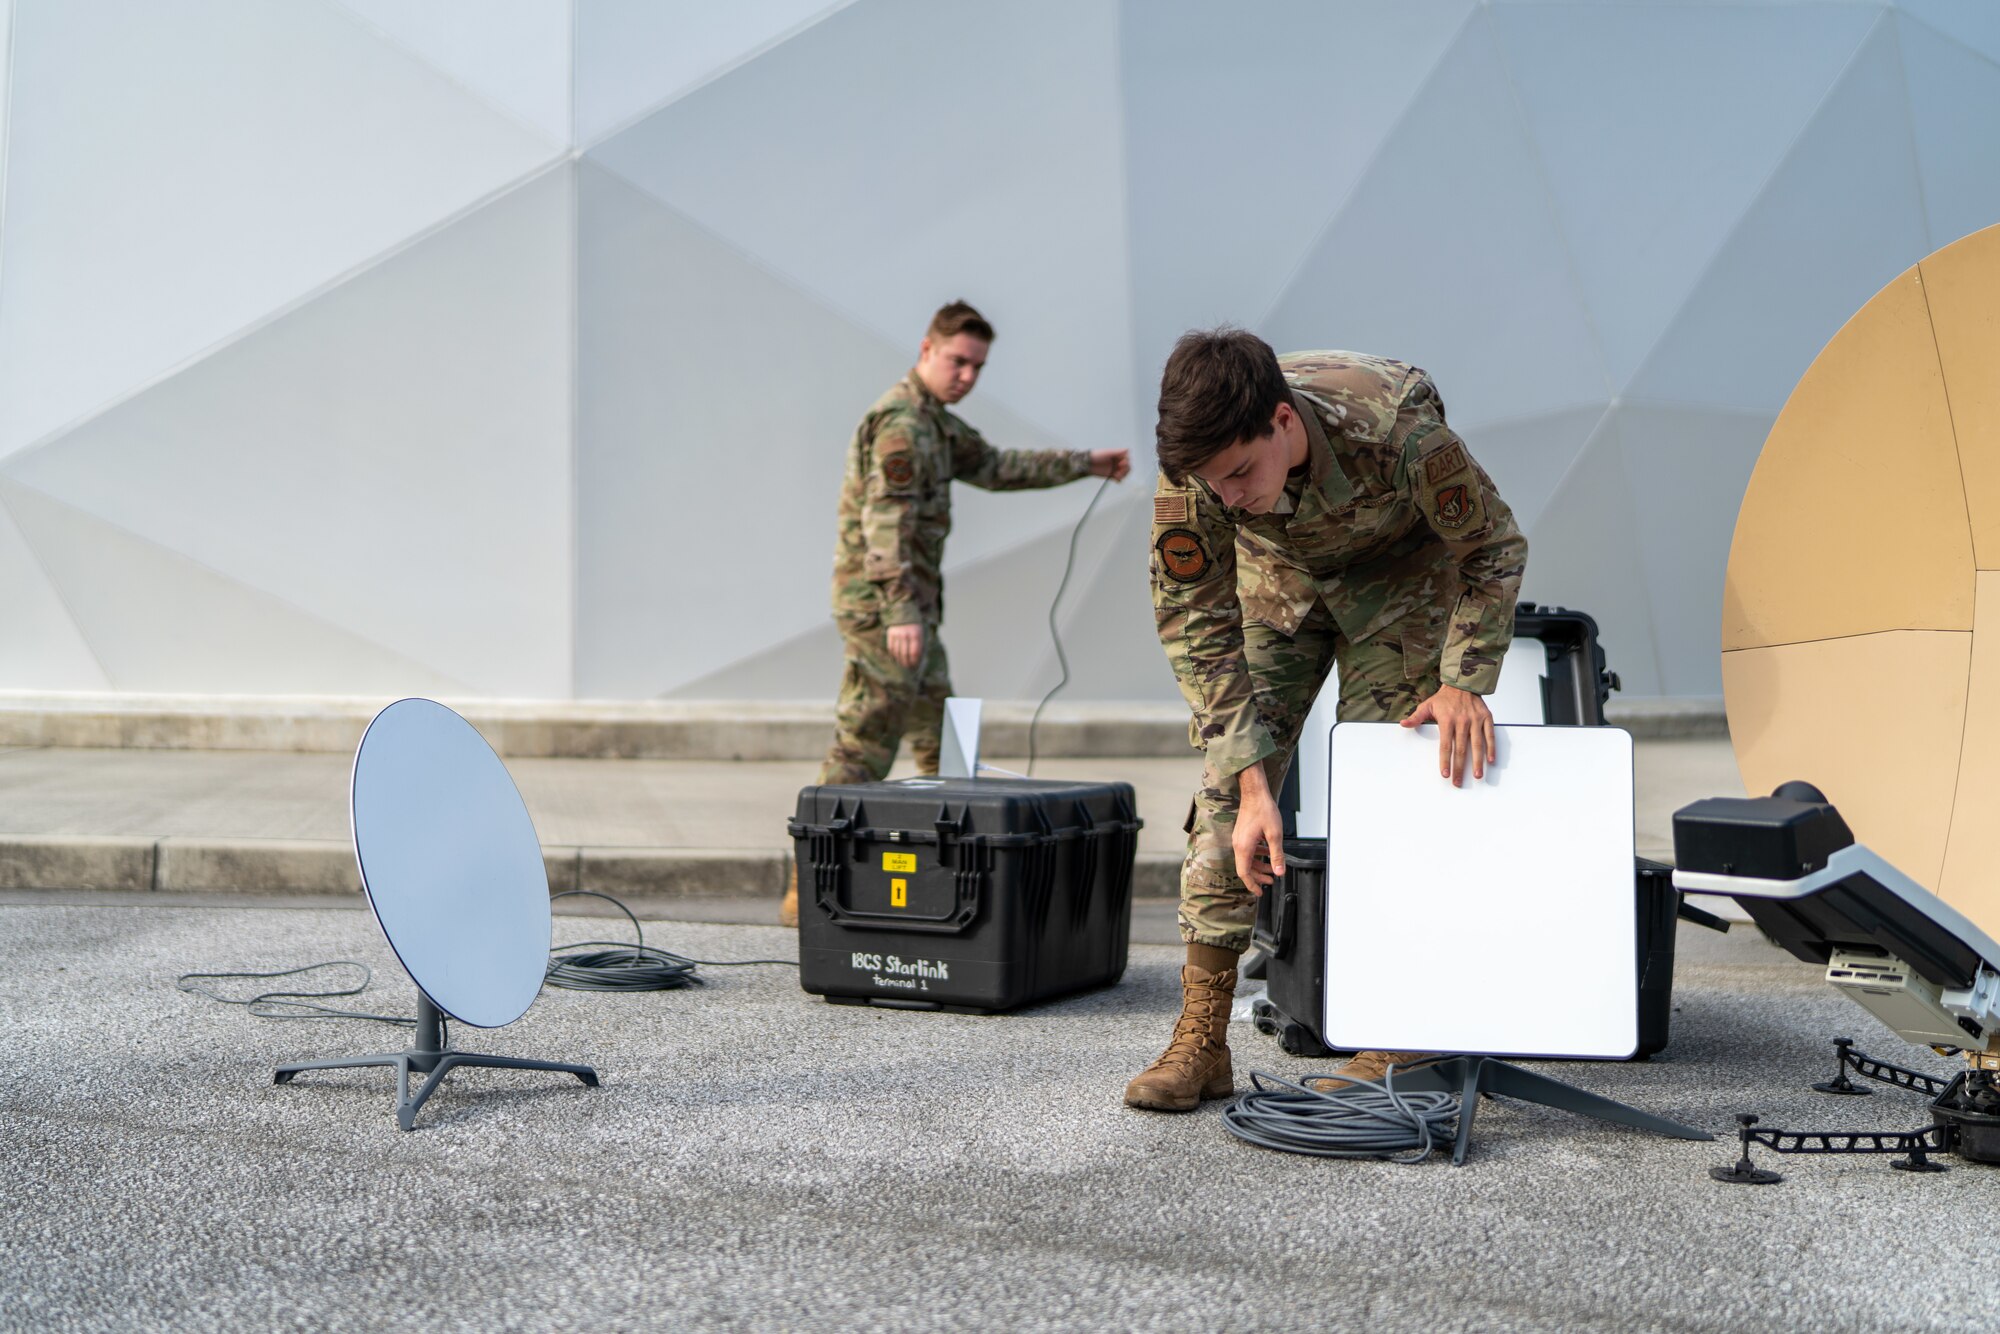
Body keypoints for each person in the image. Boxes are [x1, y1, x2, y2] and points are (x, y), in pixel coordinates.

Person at [1124, 329, 1527, 1111]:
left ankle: (1399, 1031)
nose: (1230, 495)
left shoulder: (1398, 429)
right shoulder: (1197, 476)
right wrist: (1250, 781)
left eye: (1241, 472)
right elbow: (1195, 623)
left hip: (1398, 587)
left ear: (1282, 422)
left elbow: (1493, 548)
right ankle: (1202, 1043)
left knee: (1391, 797)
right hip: (1277, 590)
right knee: (1223, 806)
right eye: (1215, 483)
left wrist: (1462, 680)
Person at [783, 301, 1131, 925]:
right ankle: (811, 885)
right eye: (957, 360)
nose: (967, 375)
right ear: (926, 349)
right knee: (864, 743)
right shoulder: (902, 425)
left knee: (941, 745)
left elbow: (997, 466)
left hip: (913, 613)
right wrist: (899, 614)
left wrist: (1087, 464)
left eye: (977, 366)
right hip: (886, 613)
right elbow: (884, 524)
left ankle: (944, 879)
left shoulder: (936, 424)